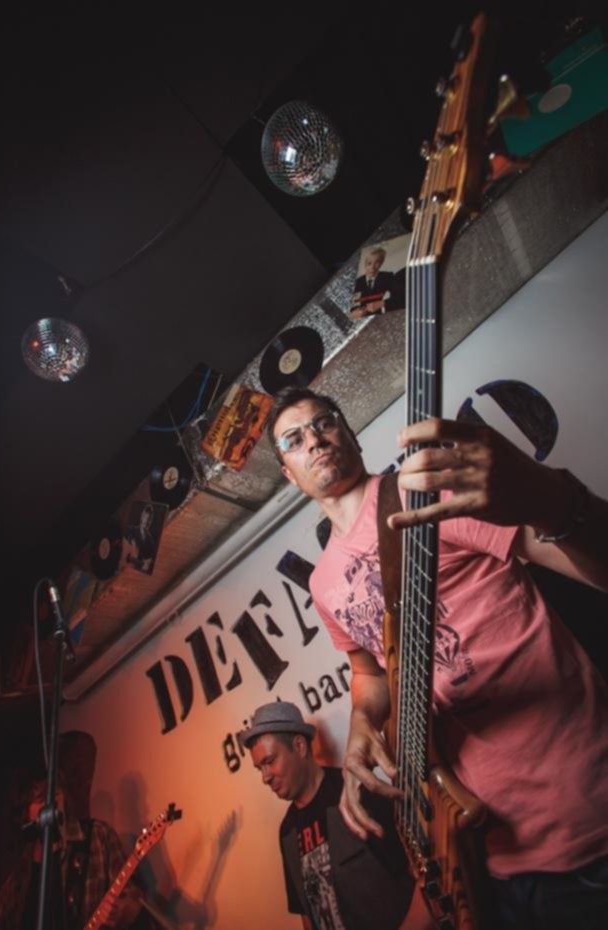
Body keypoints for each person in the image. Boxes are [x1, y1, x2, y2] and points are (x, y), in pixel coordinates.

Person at [266, 385, 608, 930]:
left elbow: (586, 561)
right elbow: (367, 668)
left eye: (324, 422)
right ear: (289, 474)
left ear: (348, 434)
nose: (314, 439)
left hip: (585, 812)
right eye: (293, 438)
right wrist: (361, 723)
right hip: (487, 849)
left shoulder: (425, 492)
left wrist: (555, 499)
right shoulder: (322, 582)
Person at [241, 701, 431, 930]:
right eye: (259, 768)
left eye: (270, 762)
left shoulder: (357, 792)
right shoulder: (287, 832)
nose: (265, 777)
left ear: (299, 746)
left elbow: (426, 874)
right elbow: (307, 914)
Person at [0, 773, 143, 930]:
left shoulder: (99, 837)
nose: (52, 805)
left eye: (55, 794)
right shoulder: (18, 874)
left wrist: (123, 911)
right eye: (41, 799)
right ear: (26, 814)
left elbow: (135, 899)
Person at [349, 247, 396, 319]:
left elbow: (399, 297)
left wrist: (382, 303)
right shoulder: (357, 282)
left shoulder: (388, 277)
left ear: (381, 263)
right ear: (364, 264)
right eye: (369, 263)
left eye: (377, 263)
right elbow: (353, 308)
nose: (372, 267)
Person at [125, 503, 157, 574]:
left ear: (150, 521)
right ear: (142, 516)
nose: (146, 521)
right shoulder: (131, 529)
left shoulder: (150, 541)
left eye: (148, 519)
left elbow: (147, 564)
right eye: (145, 517)